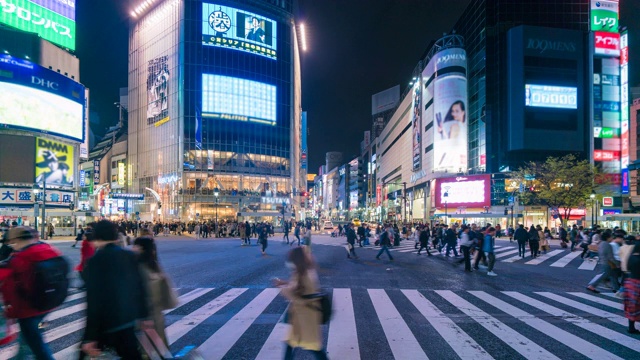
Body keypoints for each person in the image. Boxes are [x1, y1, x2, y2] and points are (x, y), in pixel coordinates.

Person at [80, 220, 150, 359]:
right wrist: (143, 315)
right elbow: (140, 287)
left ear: (97, 236)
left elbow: (94, 300)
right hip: (128, 319)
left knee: (85, 355)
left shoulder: (95, 260)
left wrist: (90, 336)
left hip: (106, 323)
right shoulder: (129, 255)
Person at [0, 227, 63, 359]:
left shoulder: (20, 259)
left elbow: (11, 290)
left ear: (16, 240)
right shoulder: (48, 250)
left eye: (11, 242)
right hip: (49, 303)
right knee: (30, 340)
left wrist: (10, 313)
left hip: (28, 310)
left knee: (38, 346)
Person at [273, 247, 328, 359]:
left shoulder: (302, 274)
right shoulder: (306, 271)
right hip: (304, 315)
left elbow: (296, 295)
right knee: (293, 343)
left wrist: (282, 289)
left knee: (313, 346)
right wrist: (285, 282)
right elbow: (299, 287)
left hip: (305, 316)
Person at [133, 232, 178, 347]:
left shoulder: (140, 269)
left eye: (135, 246)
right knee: (159, 349)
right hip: (156, 317)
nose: (133, 249)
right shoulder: (154, 267)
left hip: (144, 319)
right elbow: (167, 299)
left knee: (148, 350)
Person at [623, 237, 640, 333]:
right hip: (638, 283)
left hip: (630, 282)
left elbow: (627, 268)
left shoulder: (631, 257)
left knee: (631, 306)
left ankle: (631, 327)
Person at [75, 223, 96, 290]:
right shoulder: (88, 243)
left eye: (84, 236)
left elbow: (88, 252)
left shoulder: (86, 243)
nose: (82, 237)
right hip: (86, 259)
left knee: (84, 272)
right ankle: (87, 284)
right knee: (84, 272)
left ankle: (87, 284)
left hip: (86, 260)